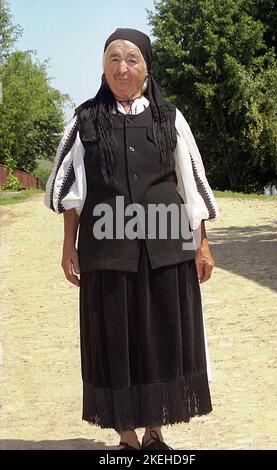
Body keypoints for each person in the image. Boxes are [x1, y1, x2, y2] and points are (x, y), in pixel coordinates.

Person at [45, 28, 219, 451]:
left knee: (162, 333)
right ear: (103, 67)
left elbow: (190, 183)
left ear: (146, 67)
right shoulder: (85, 119)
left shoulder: (170, 118)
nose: (122, 67)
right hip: (108, 246)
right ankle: (125, 433)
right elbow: (71, 190)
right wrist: (69, 245)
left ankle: (156, 430)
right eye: (114, 59)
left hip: (166, 242)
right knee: (115, 336)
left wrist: (202, 243)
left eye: (132, 59)